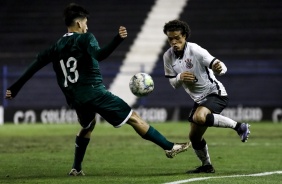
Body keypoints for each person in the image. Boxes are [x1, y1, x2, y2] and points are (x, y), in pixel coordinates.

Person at [5, 4, 190, 176]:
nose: (87, 25)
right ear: (79, 23)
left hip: (75, 97)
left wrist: (14, 88)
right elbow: (100, 55)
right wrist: (118, 39)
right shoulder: (86, 38)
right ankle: (169, 147)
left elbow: (33, 67)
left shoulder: (55, 47)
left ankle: (76, 168)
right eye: (85, 22)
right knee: (133, 117)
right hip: (94, 92)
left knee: (88, 125)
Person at [162, 20, 250, 174]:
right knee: (194, 137)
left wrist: (219, 68)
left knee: (200, 117)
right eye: (171, 39)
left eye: (177, 38)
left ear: (185, 37)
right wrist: (180, 77)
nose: (174, 42)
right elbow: (173, 84)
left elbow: (220, 66)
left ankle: (239, 126)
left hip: (215, 93)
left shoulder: (195, 50)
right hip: (199, 100)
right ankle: (207, 166)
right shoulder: (168, 56)